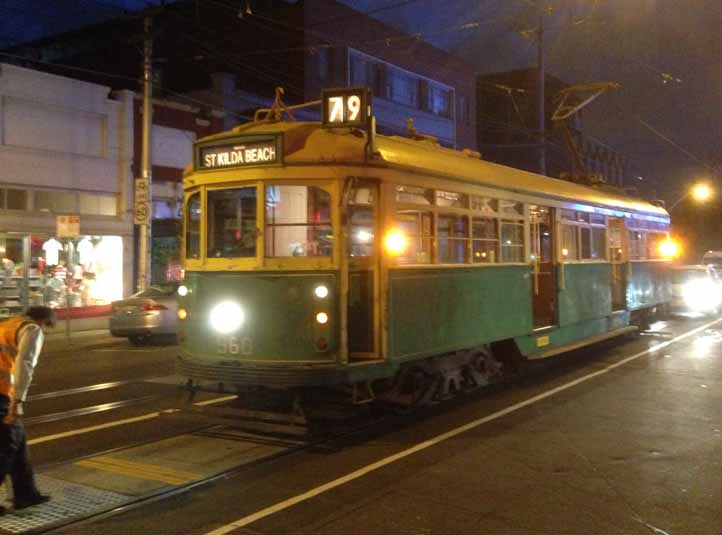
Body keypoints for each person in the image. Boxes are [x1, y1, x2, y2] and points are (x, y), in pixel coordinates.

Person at [0, 306, 56, 514]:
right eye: (49, 327)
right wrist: (18, 401)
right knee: (6, 446)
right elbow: (24, 364)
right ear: (44, 321)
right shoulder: (32, 330)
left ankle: (26, 494)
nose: (47, 332)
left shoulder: (7, 325)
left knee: (19, 443)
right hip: (3, 395)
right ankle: (25, 494)